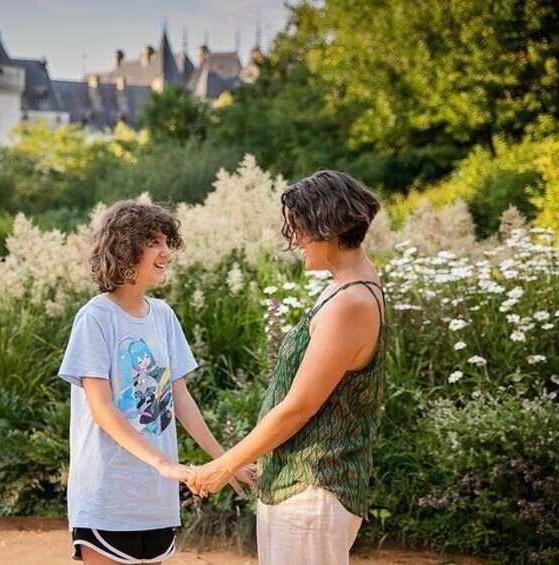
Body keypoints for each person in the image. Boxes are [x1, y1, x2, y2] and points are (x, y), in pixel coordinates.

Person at [188, 171, 387, 565]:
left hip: (313, 491)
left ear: (326, 227)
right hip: (298, 484)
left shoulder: (350, 303)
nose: (294, 242)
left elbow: (299, 408)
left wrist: (222, 465)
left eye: (298, 230)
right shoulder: (346, 286)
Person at [59, 201, 255, 565]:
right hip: (108, 497)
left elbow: (180, 400)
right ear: (124, 248)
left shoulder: (163, 316)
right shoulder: (95, 318)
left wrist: (226, 461)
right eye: (154, 242)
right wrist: (166, 464)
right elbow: (101, 410)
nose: (166, 251)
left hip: (155, 500)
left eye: (167, 241)